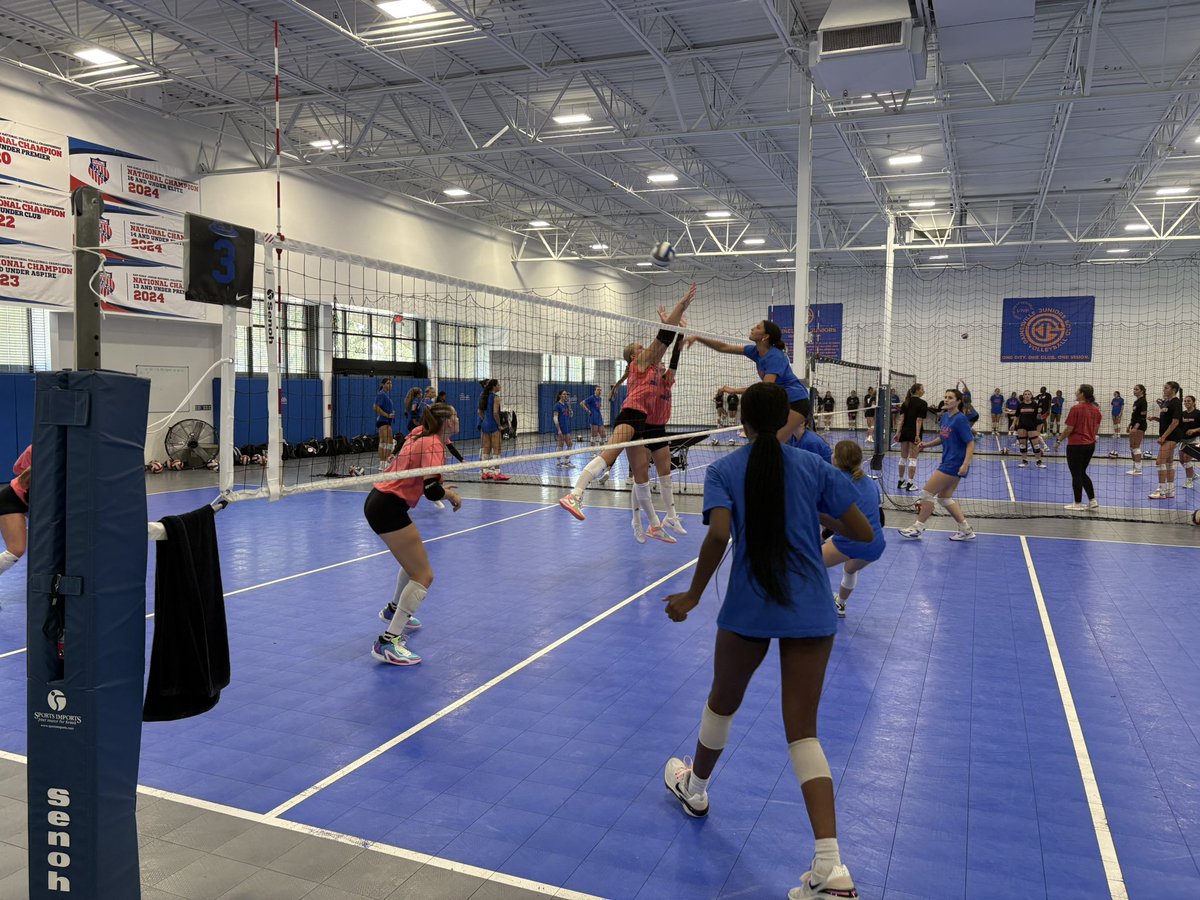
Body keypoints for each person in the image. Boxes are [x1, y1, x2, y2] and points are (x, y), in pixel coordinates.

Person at [659, 382, 871, 900]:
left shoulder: (723, 470)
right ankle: (831, 868)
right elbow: (862, 532)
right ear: (785, 422)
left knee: (722, 702)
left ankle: (696, 788)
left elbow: (718, 534)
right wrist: (811, 513)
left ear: (743, 421)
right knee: (803, 733)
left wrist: (692, 594)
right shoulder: (814, 467)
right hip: (811, 608)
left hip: (749, 607)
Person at [559, 283, 696, 531]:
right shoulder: (639, 364)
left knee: (641, 475)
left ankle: (652, 525)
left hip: (642, 422)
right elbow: (663, 338)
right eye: (640, 348)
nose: (645, 348)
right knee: (608, 456)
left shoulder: (653, 369)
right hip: (631, 415)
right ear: (634, 356)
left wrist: (676, 327)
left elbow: (667, 345)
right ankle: (575, 494)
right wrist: (681, 306)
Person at [366, 403, 463, 666]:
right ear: (447, 422)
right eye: (455, 416)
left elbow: (422, 474)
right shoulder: (432, 443)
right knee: (423, 575)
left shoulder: (421, 433)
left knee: (414, 565)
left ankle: (393, 610)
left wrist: (440, 484)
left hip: (381, 501)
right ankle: (388, 642)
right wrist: (449, 494)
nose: (458, 419)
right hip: (387, 507)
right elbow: (431, 491)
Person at [688, 319, 810, 443]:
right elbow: (723, 347)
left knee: (772, 443)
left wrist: (734, 390)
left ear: (765, 336)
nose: (752, 329)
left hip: (796, 402)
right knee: (772, 443)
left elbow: (764, 389)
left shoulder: (775, 357)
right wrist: (699, 338)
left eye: (758, 327)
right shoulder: (755, 351)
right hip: (781, 403)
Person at [899, 388, 976, 541]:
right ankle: (966, 530)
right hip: (948, 461)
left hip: (954, 463)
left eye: (950, 397)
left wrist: (965, 464)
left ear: (958, 401)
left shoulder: (960, 419)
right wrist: (926, 445)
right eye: (945, 397)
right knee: (944, 498)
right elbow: (942, 437)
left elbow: (970, 442)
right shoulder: (945, 417)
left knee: (927, 493)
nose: (946, 400)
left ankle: (917, 527)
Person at [634, 331, 689, 540]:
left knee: (666, 475)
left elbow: (674, 360)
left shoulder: (667, 381)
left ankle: (671, 516)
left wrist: (680, 335)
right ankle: (637, 521)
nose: (663, 365)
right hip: (644, 430)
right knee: (641, 478)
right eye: (659, 364)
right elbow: (654, 356)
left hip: (660, 430)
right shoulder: (647, 379)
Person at [824, 441, 885, 618]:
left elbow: (830, 518)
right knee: (850, 569)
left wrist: (823, 537)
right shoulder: (870, 483)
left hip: (851, 541)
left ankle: (815, 602)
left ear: (836, 459)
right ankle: (841, 604)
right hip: (876, 544)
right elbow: (880, 519)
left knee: (808, 564)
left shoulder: (835, 483)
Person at [1054, 384, 1101, 512]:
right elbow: (1096, 429)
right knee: (1082, 473)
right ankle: (1092, 501)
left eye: (1077, 391)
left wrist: (1059, 440)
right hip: (1090, 445)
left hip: (1076, 445)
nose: (1076, 393)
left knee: (1076, 474)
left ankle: (1077, 503)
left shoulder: (1076, 408)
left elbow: (1069, 429)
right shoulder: (1096, 410)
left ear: (1082, 394)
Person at [0, 444, 31, 586]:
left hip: (30, 504)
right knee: (15, 550)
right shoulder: (38, 449)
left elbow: (17, 468)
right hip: (11, 500)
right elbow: (18, 470)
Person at [1149, 381, 1184, 500]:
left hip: (1172, 436)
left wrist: (1163, 436)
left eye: (1166, 388)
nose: (1164, 389)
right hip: (1167, 435)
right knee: (1169, 463)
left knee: (1159, 462)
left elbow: (1175, 422)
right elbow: (1167, 420)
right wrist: (1155, 418)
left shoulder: (1176, 403)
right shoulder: (1166, 402)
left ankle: (1161, 491)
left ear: (1173, 390)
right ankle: (1170, 491)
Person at [896, 384, 928, 492]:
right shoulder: (923, 403)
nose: (924, 391)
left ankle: (901, 481)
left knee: (903, 458)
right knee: (913, 459)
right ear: (918, 390)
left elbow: (901, 419)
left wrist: (897, 433)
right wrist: (917, 435)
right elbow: (919, 420)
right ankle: (910, 484)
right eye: (922, 389)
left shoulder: (905, 403)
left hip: (904, 432)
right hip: (914, 433)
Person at [477, 379, 509, 482]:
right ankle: (497, 473)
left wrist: (485, 420)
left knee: (486, 450)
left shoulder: (483, 396)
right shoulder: (496, 397)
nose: (500, 386)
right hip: (493, 425)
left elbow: (479, 412)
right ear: (494, 387)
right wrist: (499, 425)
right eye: (498, 385)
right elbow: (495, 413)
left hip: (485, 425)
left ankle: (485, 472)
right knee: (497, 449)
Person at [1013, 390, 1046, 469]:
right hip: (1022, 427)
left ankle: (1038, 461)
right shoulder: (1020, 405)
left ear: (1031, 396)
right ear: (1023, 396)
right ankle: (1024, 461)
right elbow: (1016, 416)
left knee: (1036, 445)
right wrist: (1013, 425)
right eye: (1025, 394)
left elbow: (1040, 419)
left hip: (1032, 427)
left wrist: (1038, 432)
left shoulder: (1035, 405)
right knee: (1022, 445)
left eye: (1028, 394)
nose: (1027, 395)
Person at [373, 378, 396, 470]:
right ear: (382, 385)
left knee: (383, 443)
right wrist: (387, 415)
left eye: (391, 383)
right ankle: (385, 463)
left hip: (384, 421)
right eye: (388, 383)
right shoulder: (381, 394)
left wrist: (391, 413)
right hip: (384, 421)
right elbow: (375, 407)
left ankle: (382, 464)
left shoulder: (385, 395)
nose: (390, 385)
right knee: (388, 442)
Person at [1178, 395, 1199, 489]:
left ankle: (1189, 481)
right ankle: (1193, 474)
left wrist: (1194, 430)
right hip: (1183, 440)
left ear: (1194, 402)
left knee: (1187, 459)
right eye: (1185, 401)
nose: (1186, 402)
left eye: (1189, 401)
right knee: (1182, 460)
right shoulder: (1182, 414)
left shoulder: (1198, 413)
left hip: (1194, 440)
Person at [1127, 383, 1148, 475]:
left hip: (1140, 426)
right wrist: (1130, 425)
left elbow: (1142, 416)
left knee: (1136, 447)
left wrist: (1136, 427)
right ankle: (1135, 468)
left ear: (1142, 391)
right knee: (1132, 447)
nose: (1134, 391)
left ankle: (1138, 470)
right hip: (1134, 425)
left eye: (1137, 389)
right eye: (1134, 389)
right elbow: (1135, 415)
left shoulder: (1143, 401)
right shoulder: (1136, 402)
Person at [553, 390, 574, 467]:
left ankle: (567, 461)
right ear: (560, 396)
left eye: (566, 394)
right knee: (560, 445)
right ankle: (558, 462)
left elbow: (571, 415)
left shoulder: (566, 404)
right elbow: (555, 418)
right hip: (560, 428)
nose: (565, 396)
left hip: (566, 427)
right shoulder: (557, 405)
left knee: (570, 444)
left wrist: (569, 406)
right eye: (564, 394)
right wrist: (559, 429)